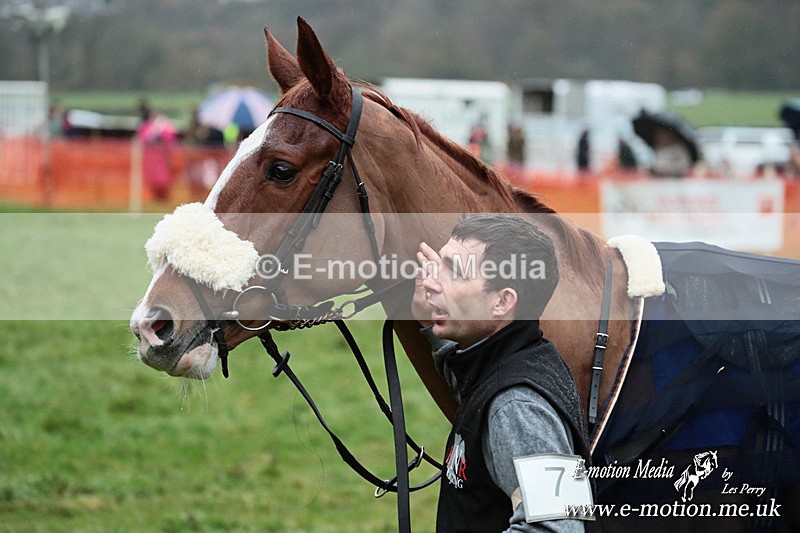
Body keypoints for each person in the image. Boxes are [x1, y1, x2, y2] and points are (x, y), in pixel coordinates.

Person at [412, 214, 591, 532]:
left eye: (454, 271)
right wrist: (432, 325)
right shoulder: (509, 363)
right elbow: (472, 387)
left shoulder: (518, 405)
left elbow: (558, 528)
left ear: (502, 301)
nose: (429, 281)